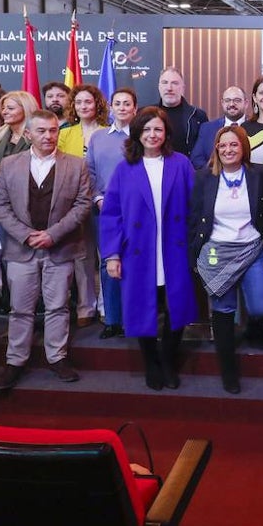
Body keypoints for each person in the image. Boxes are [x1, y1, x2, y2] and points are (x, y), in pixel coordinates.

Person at [0, 110, 92, 390]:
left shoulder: (76, 165)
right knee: (19, 309)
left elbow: (83, 205)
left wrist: (52, 234)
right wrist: (26, 235)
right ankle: (15, 360)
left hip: (60, 247)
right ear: (29, 134)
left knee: (58, 307)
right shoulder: (10, 164)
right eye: (42, 131)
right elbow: (0, 206)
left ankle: (57, 357)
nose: (48, 136)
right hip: (20, 248)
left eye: (52, 131)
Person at [100, 107, 197, 391]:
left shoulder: (181, 163)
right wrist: (113, 255)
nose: (152, 135)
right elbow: (112, 214)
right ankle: (151, 363)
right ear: (137, 133)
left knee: (176, 307)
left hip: (174, 249)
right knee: (143, 308)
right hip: (138, 251)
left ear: (166, 133)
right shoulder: (124, 168)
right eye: (146, 130)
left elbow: (194, 206)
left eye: (158, 129)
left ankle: (168, 359)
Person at [190, 125, 263, 394]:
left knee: (261, 306)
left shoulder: (259, 174)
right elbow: (194, 217)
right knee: (223, 311)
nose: (228, 150)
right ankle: (228, 373)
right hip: (216, 251)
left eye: (234, 145)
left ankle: (251, 329)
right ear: (216, 149)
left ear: (243, 148)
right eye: (223, 145)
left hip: (253, 249)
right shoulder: (204, 177)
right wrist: (194, 253)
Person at [86, 87, 137, 339]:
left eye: (127, 103)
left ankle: (131, 318)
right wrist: (97, 198)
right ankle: (113, 320)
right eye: (118, 103)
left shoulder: (141, 137)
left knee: (134, 262)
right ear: (111, 107)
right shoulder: (98, 137)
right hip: (104, 210)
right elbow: (91, 172)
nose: (122, 107)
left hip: (136, 210)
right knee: (109, 263)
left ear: (135, 108)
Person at [57, 84, 108, 327]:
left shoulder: (111, 133)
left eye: (88, 101)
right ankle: (86, 307)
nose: (84, 106)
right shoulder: (64, 134)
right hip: (73, 203)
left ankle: (106, 306)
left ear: (97, 104)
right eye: (79, 102)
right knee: (83, 256)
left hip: (105, 204)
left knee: (107, 255)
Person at [153, 67, 208, 157]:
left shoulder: (198, 116)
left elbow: (205, 149)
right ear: (159, 87)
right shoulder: (146, 115)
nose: (169, 88)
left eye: (174, 83)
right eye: (165, 83)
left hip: (188, 169)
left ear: (183, 88)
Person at [190, 85, 248, 169]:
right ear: (222, 103)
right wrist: (216, 174)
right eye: (227, 100)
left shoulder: (254, 127)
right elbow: (196, 159)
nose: (231, 104)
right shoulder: (207, 129)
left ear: (246, 103)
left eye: (237, 100)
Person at [0, 91, 39, 165]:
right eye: (3, 108)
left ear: (25, 110)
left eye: (10, 108)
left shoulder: (36, 137)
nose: (4, 112)